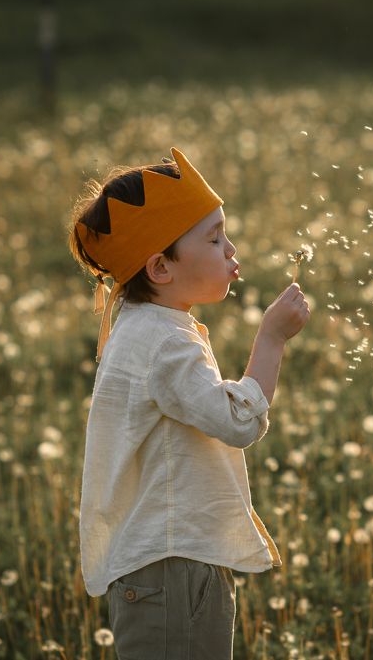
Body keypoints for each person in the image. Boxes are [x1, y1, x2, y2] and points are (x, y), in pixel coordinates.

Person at [67, 147, 309, 659]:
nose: (231, 248)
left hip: (160, 565)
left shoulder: (145, 327)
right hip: (173, 569)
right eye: (215, 237)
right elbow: (237, 423)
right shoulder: (165, 342)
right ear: (160, 267)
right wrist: (271, 340)